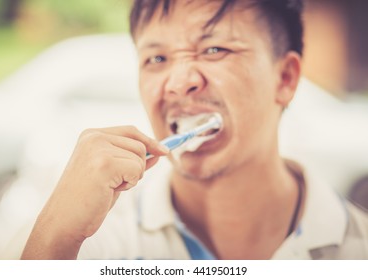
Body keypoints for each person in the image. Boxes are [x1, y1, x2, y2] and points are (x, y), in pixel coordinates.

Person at [21, 0, 368, 260]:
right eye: (157, 59)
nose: (179, 82)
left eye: (215, 49)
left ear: (286, 78)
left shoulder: (358, 249)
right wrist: (55, 236)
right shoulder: (90, 239)